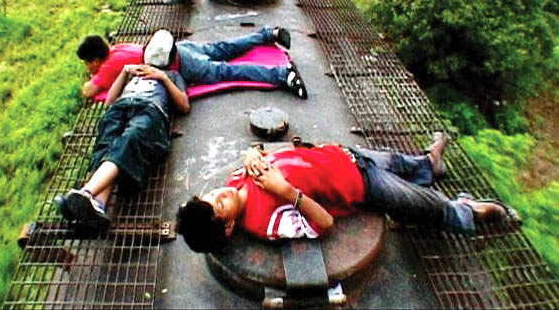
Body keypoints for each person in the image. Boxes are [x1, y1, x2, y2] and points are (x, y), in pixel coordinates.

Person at [177, 133, 521, 253]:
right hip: (362, 186)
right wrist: (286, 191)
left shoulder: (234, 184)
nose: (219, 195)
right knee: (428, 208)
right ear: (227, 228)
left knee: (400, 161)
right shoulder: (266, 222)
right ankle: (475, 211)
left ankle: (431, 165)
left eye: (210, 196)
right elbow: (325, 224)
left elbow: (261, 157)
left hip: (345, 155)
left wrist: (252, 151)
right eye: (217, 206)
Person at [54, 31, 191, 232]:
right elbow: (109, 101)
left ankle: (86, 191)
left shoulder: (172, 75)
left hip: (150, 109)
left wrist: (163, 78)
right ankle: (98, 205)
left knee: (131, 138)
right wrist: (125, 72)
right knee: (107, 139)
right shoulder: (133, 70)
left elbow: (184, 105)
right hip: (121, 106)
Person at [142, 26, 308, 99]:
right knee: (224, 48)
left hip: (191, 63)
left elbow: (184, 104)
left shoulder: (190, 67)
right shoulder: (161, 48)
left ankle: (282, 74)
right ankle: (269, 34)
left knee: (230, 71)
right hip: (184, 48)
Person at [76, 35, 144, 100]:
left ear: (95, 61)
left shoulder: (107, 67)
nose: (87, 68)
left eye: (86, 64)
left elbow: (87, 91)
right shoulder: (115, 48)